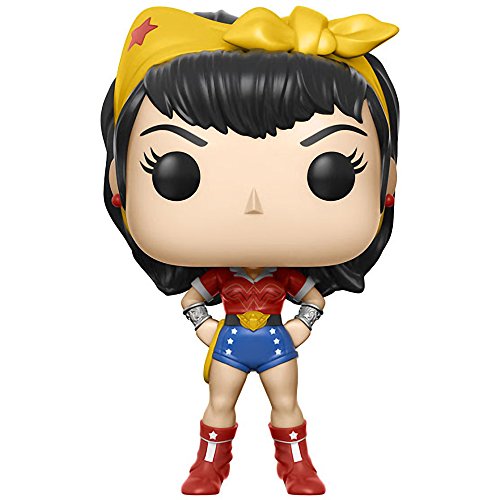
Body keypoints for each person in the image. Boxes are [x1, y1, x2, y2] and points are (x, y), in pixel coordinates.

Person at [101, 5, 399, 495]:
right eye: (177, 172)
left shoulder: (287, 278)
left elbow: (312, 299)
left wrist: (303, 325)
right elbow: (193, 299)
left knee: (287, 405)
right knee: (219, 405)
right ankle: (209, 466)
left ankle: (296, 466)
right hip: (230, 344)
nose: (254, 205)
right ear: (119, 181)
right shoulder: (221, 278)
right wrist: (206, 327)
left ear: (387, 183)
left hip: (277, 344)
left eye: (331, 172)